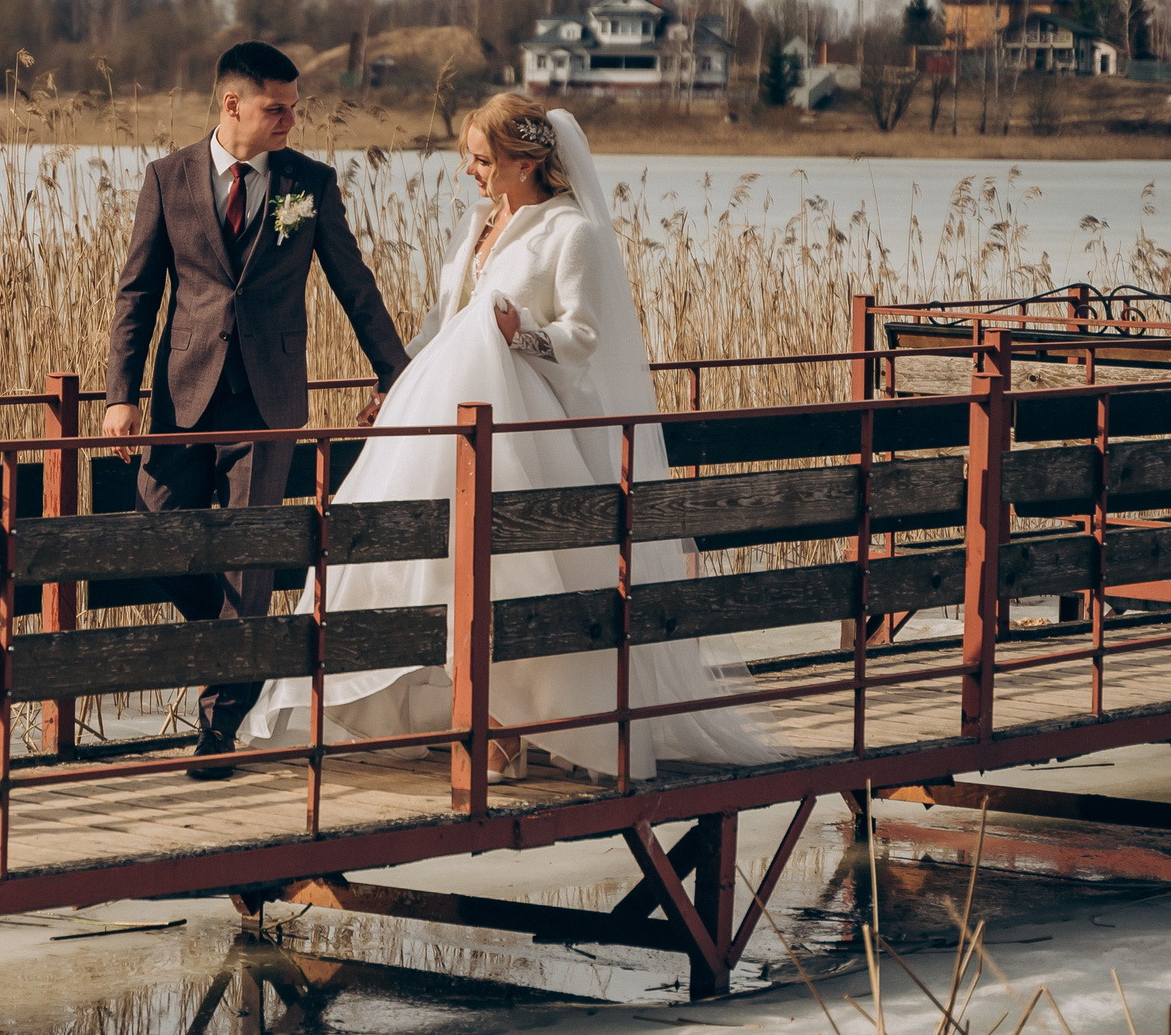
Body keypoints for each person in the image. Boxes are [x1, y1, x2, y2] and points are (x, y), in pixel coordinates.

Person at [238, 92, 783, 780]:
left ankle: (510, 729)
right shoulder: (479, 227)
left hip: (522, 428)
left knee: (506, 571)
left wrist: (518, 333)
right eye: (468, 155)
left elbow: (584, 338)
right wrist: (393, 387)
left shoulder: (571, 234)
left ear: (526, 161)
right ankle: (452, 713)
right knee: (409, 550)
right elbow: (443, 322)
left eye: (481, 157)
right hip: (442, 422)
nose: (469, 168)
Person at [104, 40, 412, 779]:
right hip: (183, 397)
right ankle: (240, 644)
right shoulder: (167, 177)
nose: (289, 121)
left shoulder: (310, 182)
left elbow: (354, 284)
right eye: (277, 108)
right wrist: (120, 395)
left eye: (294, 108)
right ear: (231, 104)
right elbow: (137, 294)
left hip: (270, 399)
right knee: (154, 527)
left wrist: (395, 373)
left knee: (248, 559)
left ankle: (219, 729)